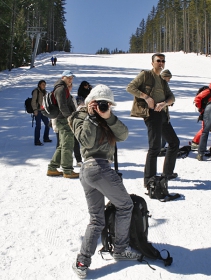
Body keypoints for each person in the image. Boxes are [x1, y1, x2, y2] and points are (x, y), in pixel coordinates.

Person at [68, 84, 141, 279]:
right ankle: (120, 248)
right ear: (90, 102)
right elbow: (87, 142)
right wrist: (92, 117)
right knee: (125, 205)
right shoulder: (79, 117)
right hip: (96, 167)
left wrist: (108, 116)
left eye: (107, 104)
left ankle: (82, 261)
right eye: (100, 104)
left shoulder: (107, 117)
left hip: (91, 173)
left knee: (97, 219)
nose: (103, 106)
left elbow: (124, 134)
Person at [126, 53, 180, 187]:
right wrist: (146, 97)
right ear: (152, 63)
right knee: (155, 147)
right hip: (151, 114)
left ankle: (167, 174)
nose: (161, 63)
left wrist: (164, 103)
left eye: (163, 61)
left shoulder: (162, 80)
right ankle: (149, 179)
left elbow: (172, 97)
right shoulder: (145, 75)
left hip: (162, 114)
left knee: (174, 142)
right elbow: (130, 87)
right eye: (158, 61)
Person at [47, 70, 79, 179]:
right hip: (64, 120)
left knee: (62, 145)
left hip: (63, 119)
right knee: (68, 145)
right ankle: (67, 170)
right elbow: (62, 106)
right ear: (63, 77)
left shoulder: (62, 88)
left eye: (72, 78)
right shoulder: (61, 89)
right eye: (68, 77)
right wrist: (69, 117)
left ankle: (52, 168)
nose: (71, 79)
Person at [31, 80, 52, 146]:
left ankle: (46, 138)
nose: (44, 86)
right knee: (38, 126)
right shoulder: (36, 91)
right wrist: (35, 110)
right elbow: (33, 101)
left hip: (43, 111)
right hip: (37, 111)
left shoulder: (45, 92)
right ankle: (37, 141)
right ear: (39, 85)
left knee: (48, 124)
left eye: (45, 84)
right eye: (43, 84)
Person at [160, 69, 172, 152]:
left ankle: (161, 147)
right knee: (163, 131)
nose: (169, 80)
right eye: (168, 78)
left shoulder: (163, 85)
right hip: (160, 113)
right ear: (165, 77)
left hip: (163, 111)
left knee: (162, 131)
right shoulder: (160, 86)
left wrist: (169, 102)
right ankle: (160, 148)